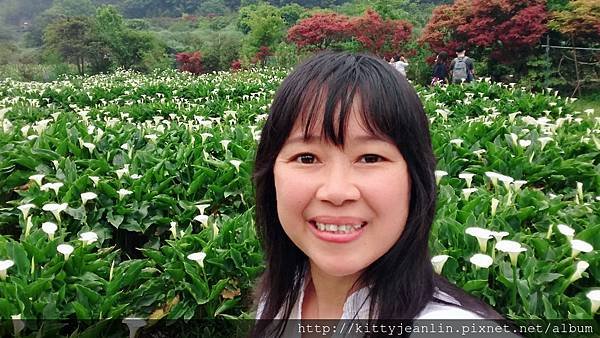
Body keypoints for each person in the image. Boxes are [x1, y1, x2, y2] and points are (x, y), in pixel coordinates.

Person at [250, 52, 506, 337]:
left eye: (370, 158)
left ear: (415, 179)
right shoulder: (280, 297)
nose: (336, 192)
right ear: (270, 174)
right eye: (307, 158)